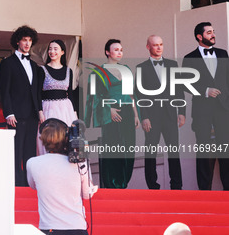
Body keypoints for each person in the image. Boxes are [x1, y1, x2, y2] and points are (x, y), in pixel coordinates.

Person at [85, 39, 140, 189]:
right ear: (107, 52)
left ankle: (123, 182)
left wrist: (136, 114)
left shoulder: (126, 69)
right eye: (116, 49)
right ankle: (112, 185)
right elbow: (95, 96)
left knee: (128, 149)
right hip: (111, 112)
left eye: (121, 50)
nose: (119, 52)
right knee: (113, 148)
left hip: (128, 111)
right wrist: (109, 109)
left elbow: (131, 94)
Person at [27, 118, 97, 234]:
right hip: (76, 227)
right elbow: (86, 194)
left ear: (43, 139)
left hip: (50, 227)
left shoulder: (32, 163)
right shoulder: (79, 163)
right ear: (66, 139)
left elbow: (33, 185)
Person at [182, 22, 229, 190]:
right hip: (202, 111)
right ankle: (204, 192)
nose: (213, 34)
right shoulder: (190, 58)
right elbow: (185, 84)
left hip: (223, 110)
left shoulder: (223, 53)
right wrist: (205, 91)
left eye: (213, 31)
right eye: (209, 32)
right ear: (199, 37)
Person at [135, 35, 185, 190]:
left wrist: (181, 111)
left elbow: (179, 90)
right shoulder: (141, 68)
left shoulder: (173, 64)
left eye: (161, 44)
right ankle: (153, 187)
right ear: (148, 47)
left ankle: (176, 186)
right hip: (151, 117)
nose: (159, 47)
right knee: (150, 152)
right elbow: (139, 96)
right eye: (155, 45)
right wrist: (144, 117)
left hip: (170, 115)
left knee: (174, 151)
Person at [0, 25, 39, 186]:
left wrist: (39, 112)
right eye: (24, 40)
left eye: (30, 40)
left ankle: (29, 183)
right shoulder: (8, 63)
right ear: (18, 41)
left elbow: (36, 92)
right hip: (16, 114)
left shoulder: (35, 66)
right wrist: (9, 113)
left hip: (32, 115)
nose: (27, 43)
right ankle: (16, 184)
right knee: (16, 151)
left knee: (30, 151)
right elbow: (4, 90)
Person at [37, 39, 78, 155]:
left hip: (66, 108)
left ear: (62, 52)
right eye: (50, 49)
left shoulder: (68, 71)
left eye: (55, 49)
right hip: (48, 107)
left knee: (67, 137)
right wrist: (40, 111)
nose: (52, 52)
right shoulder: (42, 70)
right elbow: (37, 93)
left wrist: (74, 112)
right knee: (51, 136)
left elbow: (70, 93)